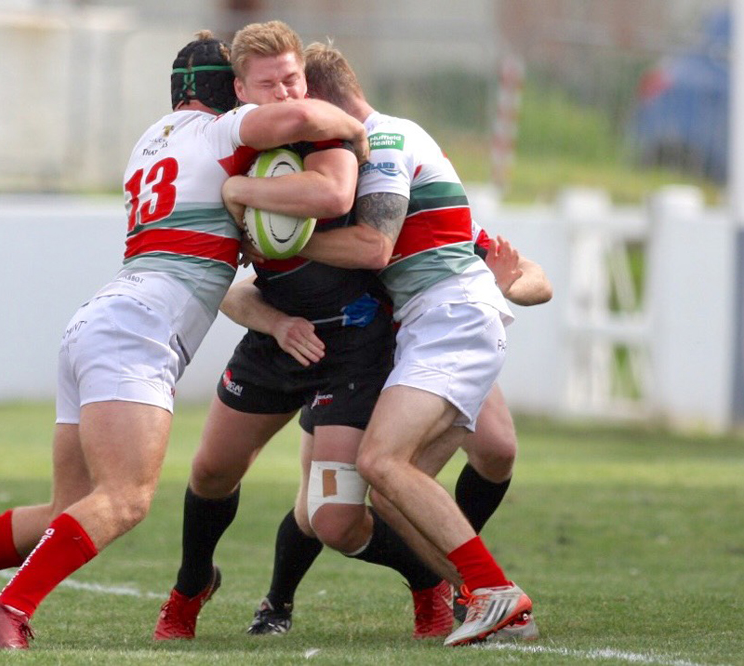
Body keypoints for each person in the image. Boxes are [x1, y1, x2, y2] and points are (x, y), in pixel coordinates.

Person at [0, 30, 368, 650]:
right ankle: (10, 607)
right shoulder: (222, 130)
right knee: (126, 499)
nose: (275, 96)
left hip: (99, 320)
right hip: (138, 330)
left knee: (68, 510)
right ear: (230, 90)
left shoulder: (149, 141)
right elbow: (299, 119)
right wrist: (354, 129)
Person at [153, 20, 452, 643]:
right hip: (280, 339)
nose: (287, 93)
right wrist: (277, 321)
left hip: (354, 345)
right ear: (241, 90)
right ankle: (190, 586)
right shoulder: (229, 147)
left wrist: (241, 189)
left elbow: (333, 194)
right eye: (270, 85)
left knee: (336, 519)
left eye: (293, 79)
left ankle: (428, 582)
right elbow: (222, 285)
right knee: (210, 472)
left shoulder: (324, 136)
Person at [291, 41, 533, 647]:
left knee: (381, 462)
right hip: (440, 322)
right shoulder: (380, 145)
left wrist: (279, 242)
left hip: (450, 318)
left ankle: (492, 591)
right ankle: (487, 599)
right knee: (394, 493)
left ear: (324, 104)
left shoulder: (384, 142)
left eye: (302, 118)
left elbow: (374, 247)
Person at [241, 227, 551, 639]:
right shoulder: (346, 228)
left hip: (432, 347)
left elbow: (537, 280)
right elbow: (240, 291)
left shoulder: (431, 222)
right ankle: (279, 600)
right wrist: (279, 322)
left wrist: (502, 286)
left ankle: (465, 581)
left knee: (497, 450)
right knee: (323, 514)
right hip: (358, 365)